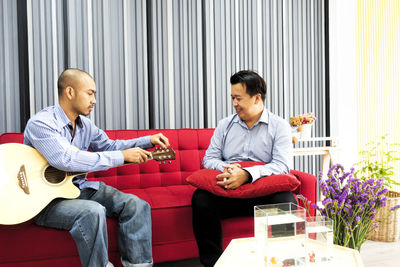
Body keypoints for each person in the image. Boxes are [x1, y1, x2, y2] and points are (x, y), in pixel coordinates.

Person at [24, 68, 169, 267]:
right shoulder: (41, 124)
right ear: (70, 92)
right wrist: (121, 157)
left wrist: (148, 140)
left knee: (137, 205)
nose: (94, 100)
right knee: (92, 211)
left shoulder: (86, 125)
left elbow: (111, 146)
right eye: (90, 93)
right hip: (46, 201)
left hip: (79, 189)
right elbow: (67, 159)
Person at [191, 70, 296, 267]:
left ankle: (282, 261)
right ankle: (212, 263)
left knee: (286, 200)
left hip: (262, 195)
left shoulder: (279, 126)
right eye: (232, 98)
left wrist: (248, 174)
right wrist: (228, 167)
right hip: (229, 194)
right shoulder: (224, 125)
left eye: (238, 98)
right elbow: (209, 159)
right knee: (201, 199)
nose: (234, 104)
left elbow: (282, 166)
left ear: (257, 98)